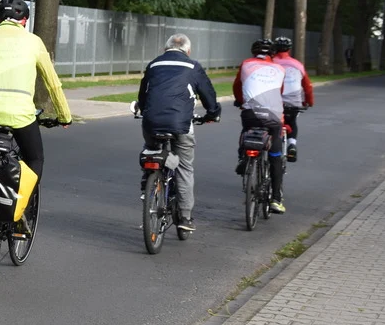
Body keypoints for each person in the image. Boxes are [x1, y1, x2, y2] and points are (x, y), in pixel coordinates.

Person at [0, 0, 72, 231]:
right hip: (20, 114)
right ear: (24, 21)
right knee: (34, 159)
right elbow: (53, 84)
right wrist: (65, 116)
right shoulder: (34, 42)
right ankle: (21, 211)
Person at [135, 33, 221, 232]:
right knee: (184, 167)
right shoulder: (193, 66)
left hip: (152, 122)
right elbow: (209, 95)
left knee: (151, 148)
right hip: (181, 125)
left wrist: (142, 108)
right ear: (188, 50)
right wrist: (212, 113)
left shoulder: (154, 65)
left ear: (165, 49)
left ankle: (147, 179)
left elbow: (143, 95)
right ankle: (184, 216)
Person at [233, 38, 287, 214]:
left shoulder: (246, 64)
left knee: (247, 128)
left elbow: (237, 87)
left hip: (251, 114)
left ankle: (243, 157)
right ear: (272, 54)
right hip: (273, 117)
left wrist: (241, 101)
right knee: (276, 155)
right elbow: (280, 92)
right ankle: (276, 199)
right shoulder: (280, 69)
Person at [271, 37, 314, 162]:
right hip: (293, 102)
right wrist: (309, 101)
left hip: (273, 102)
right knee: (292, 122)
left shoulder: (271, 62)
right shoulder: (297, 64)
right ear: (289, 49)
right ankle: (292, 145)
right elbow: (308, 86)